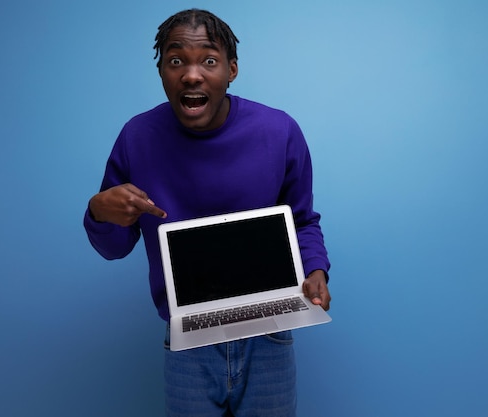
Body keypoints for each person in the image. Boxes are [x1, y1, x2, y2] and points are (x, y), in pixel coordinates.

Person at [84, 8, 331, 417]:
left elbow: (302, 221)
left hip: (268, 334)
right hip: (188, 340)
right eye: (176, 60)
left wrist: (316, 271)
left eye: (209, 61)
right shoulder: (137, 137)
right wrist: (98, 211)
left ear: (232, 70)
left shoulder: (279, 131)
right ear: (162, 70)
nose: (192, 75)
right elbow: (114, 247)